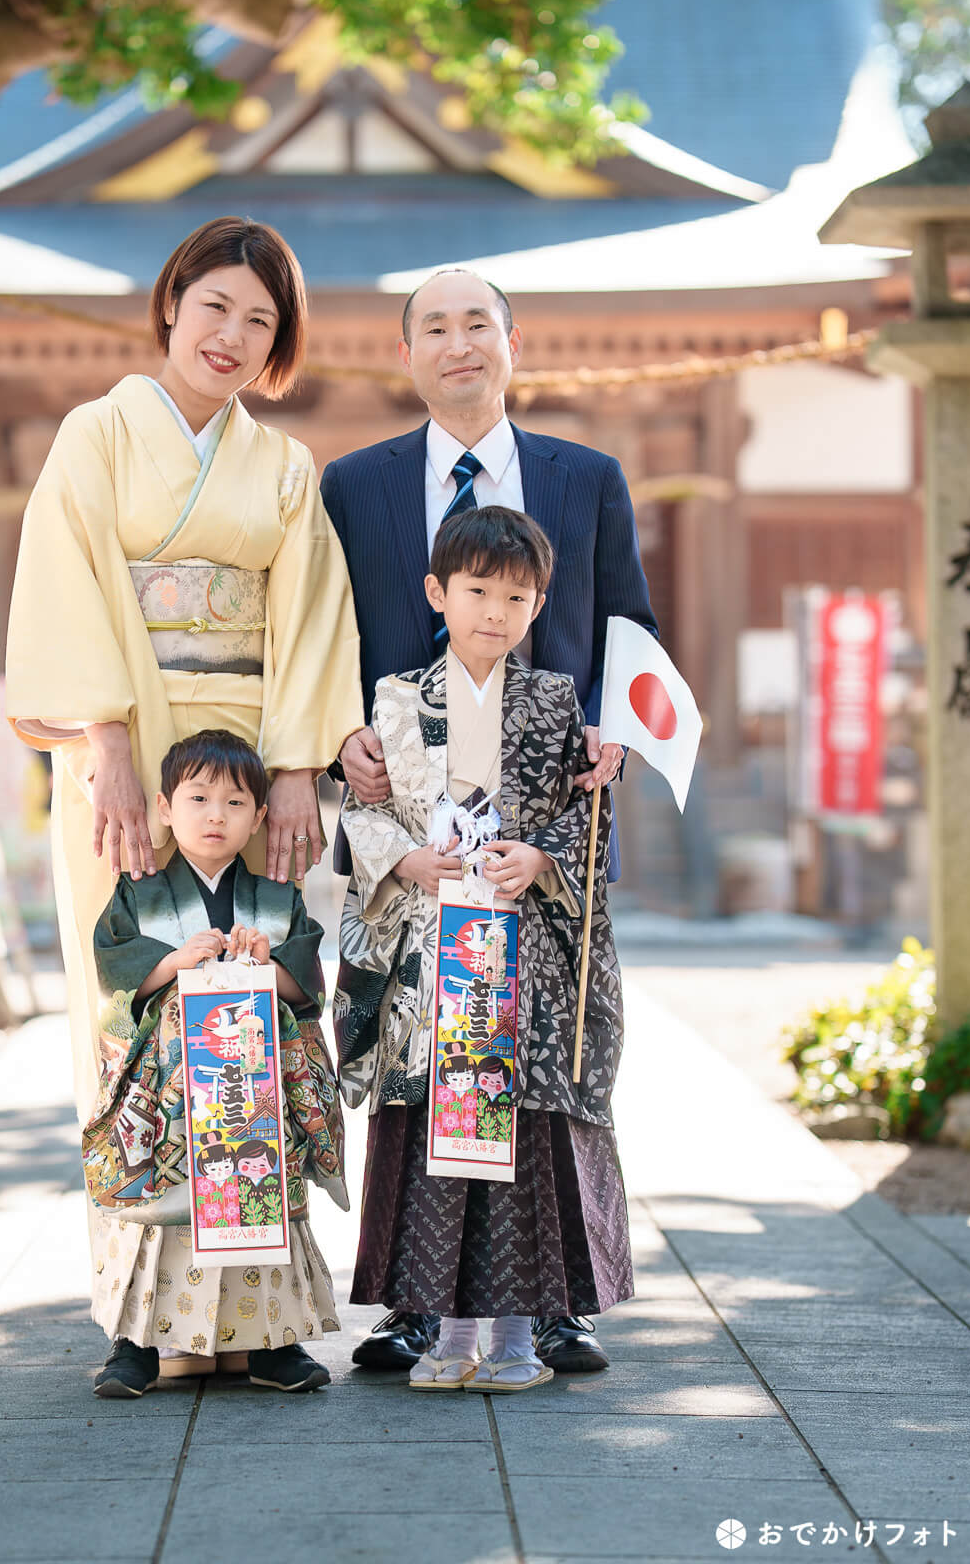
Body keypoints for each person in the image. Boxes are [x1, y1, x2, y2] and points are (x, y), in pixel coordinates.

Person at [5, 218, 363, 1383]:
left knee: (250, 1014)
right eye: (214, 306)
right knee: (136, 1020)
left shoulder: (283, 468)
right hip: (124, 755)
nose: (232, 334)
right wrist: (104, 738)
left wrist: (300, 769)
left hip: (247, 766)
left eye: (259, 321)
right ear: (170, 303)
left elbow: (310, 616)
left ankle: (253, 1317)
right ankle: (140, 1316)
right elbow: (67, 584)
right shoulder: (96, 435)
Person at [321, 266, 655, 1375]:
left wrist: (610, 733)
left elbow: (625, 632)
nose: (458, 343)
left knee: (542, 1065)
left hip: (542, 826)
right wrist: (339, 739)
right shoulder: (354, 484)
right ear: (404, 352)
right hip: (411, 813)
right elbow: (329, 636)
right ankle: (417, 1303)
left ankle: (556, 1297)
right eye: (433, 326)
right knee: (423, 1055)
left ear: (511, 342)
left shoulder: (586, 476)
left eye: (478, 324)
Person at [335, 505, 633, 1392]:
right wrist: (405, 857)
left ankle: (512, 1342)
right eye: (476, 591)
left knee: (518, 1146)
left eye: (516, 595)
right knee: (442, 1134)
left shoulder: (555, 700)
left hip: (523, 956)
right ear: (438, 593)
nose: (495, 611)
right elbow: (366, 815)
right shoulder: (395, 699)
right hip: (434, 957)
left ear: (540, 604)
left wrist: (542, 856)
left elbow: (580, 811)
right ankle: (445, 1338)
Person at [85, 730, 347, 1396]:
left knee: (257, 1188)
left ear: (260, 817)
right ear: (164, 808)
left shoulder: (275, 898)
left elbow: (306, 989)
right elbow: (117, 979)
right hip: (169, 1097)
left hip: (248, 1089)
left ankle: (271, 1343)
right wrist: (171, 964)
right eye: (197, 798)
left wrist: (269, 967)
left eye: (234, 803)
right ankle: (138, 1343)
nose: (214, 815)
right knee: (161, 1211)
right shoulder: (139, 892)